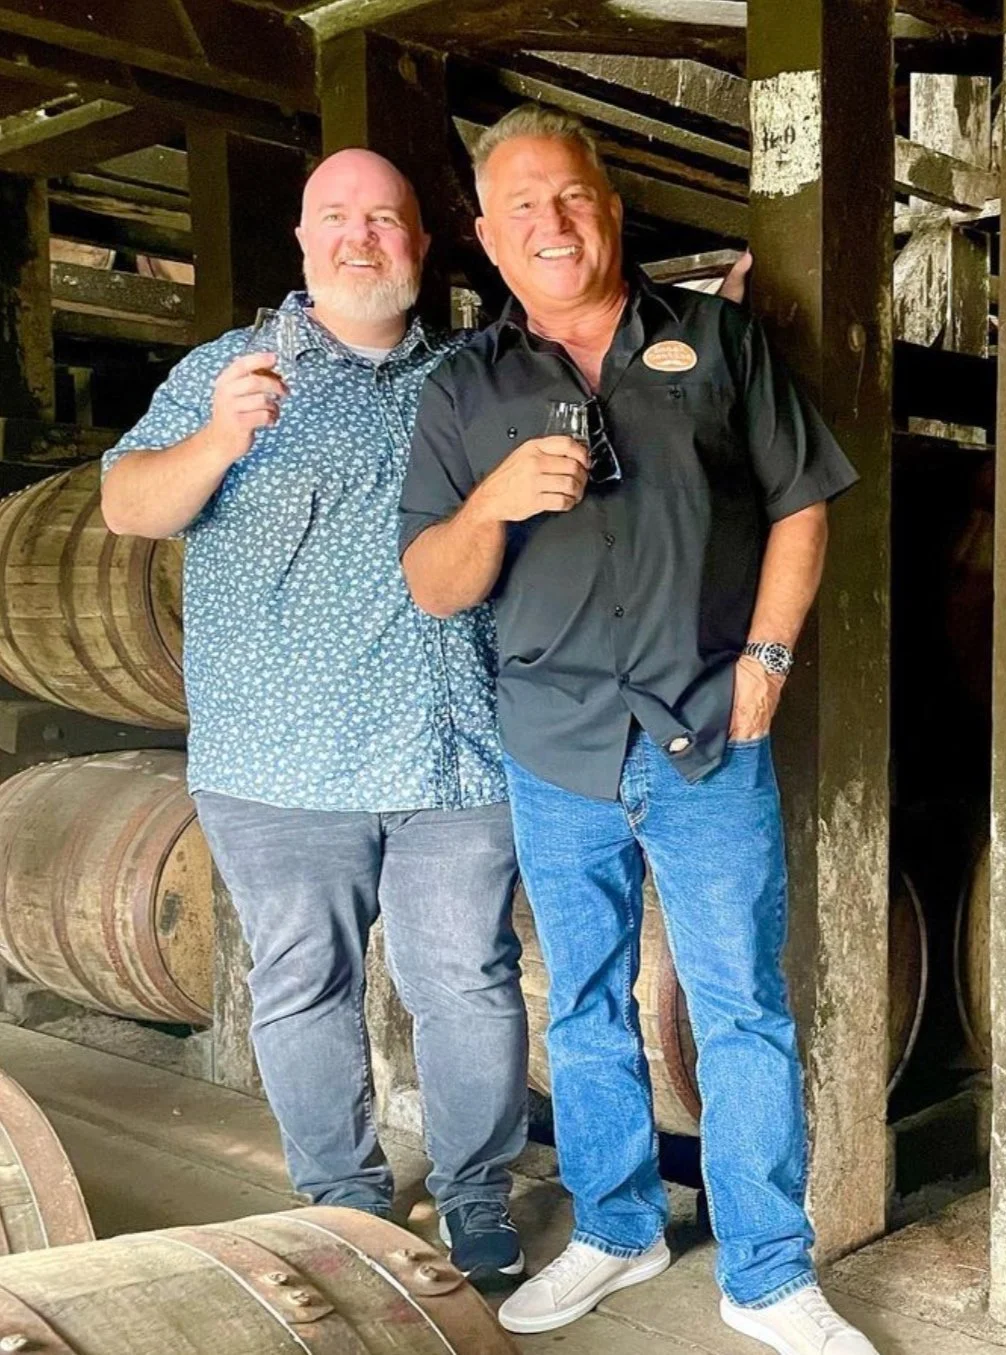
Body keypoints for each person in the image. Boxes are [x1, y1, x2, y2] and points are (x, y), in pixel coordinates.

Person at [399, 105, 879, 1355]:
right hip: (554, 745)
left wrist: (768, 660)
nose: (550, 226)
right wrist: (497, 501)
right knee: (588, 1006)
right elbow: (435, 582)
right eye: (521, 211)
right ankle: (619, 1226)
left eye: (570, 197)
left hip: (707, 733)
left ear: (607, 208)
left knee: (741, 1003)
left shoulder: (712, 337)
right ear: (487, 241)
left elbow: (802, 503)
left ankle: (769, 1271)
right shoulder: (465, 389)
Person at [99, 148, 529, 1290]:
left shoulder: (475, 370)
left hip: (453, 747)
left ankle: (477, 1193)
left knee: (469, 980)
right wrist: (220, 436)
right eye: (336, 217)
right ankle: (344, 1202)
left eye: (384, 219)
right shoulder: (226, 369)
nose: (360, 236)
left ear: (420, 245)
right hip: (275, 756)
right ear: (302, 239)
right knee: (303, 985)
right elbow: (126, 503)